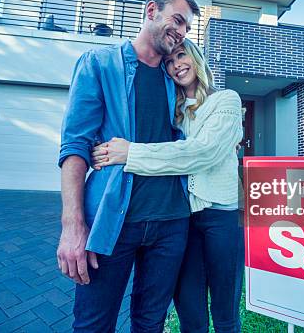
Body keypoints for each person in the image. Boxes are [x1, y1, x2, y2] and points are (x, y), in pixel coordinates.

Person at [56, 0, 201, 333]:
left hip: (171, 222)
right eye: (178, 21)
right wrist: (72, 225)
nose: (181, 33)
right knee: (93, 323)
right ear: (151, 11)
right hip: (112, 221)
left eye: (187, 29)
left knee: (150, 324)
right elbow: (75, 146)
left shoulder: (177, 78)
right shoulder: (99, 64)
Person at [92, 38, 244, 332]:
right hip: (183, 219)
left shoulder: (226, 99)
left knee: (225, 313)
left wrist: (130, 153)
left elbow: (202, 153)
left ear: (196, 58)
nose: (177, 65)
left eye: (181, 56)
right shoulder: (174, 111)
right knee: (190, 311)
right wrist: (100, 150)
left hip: (222, 217)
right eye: (170, 62)